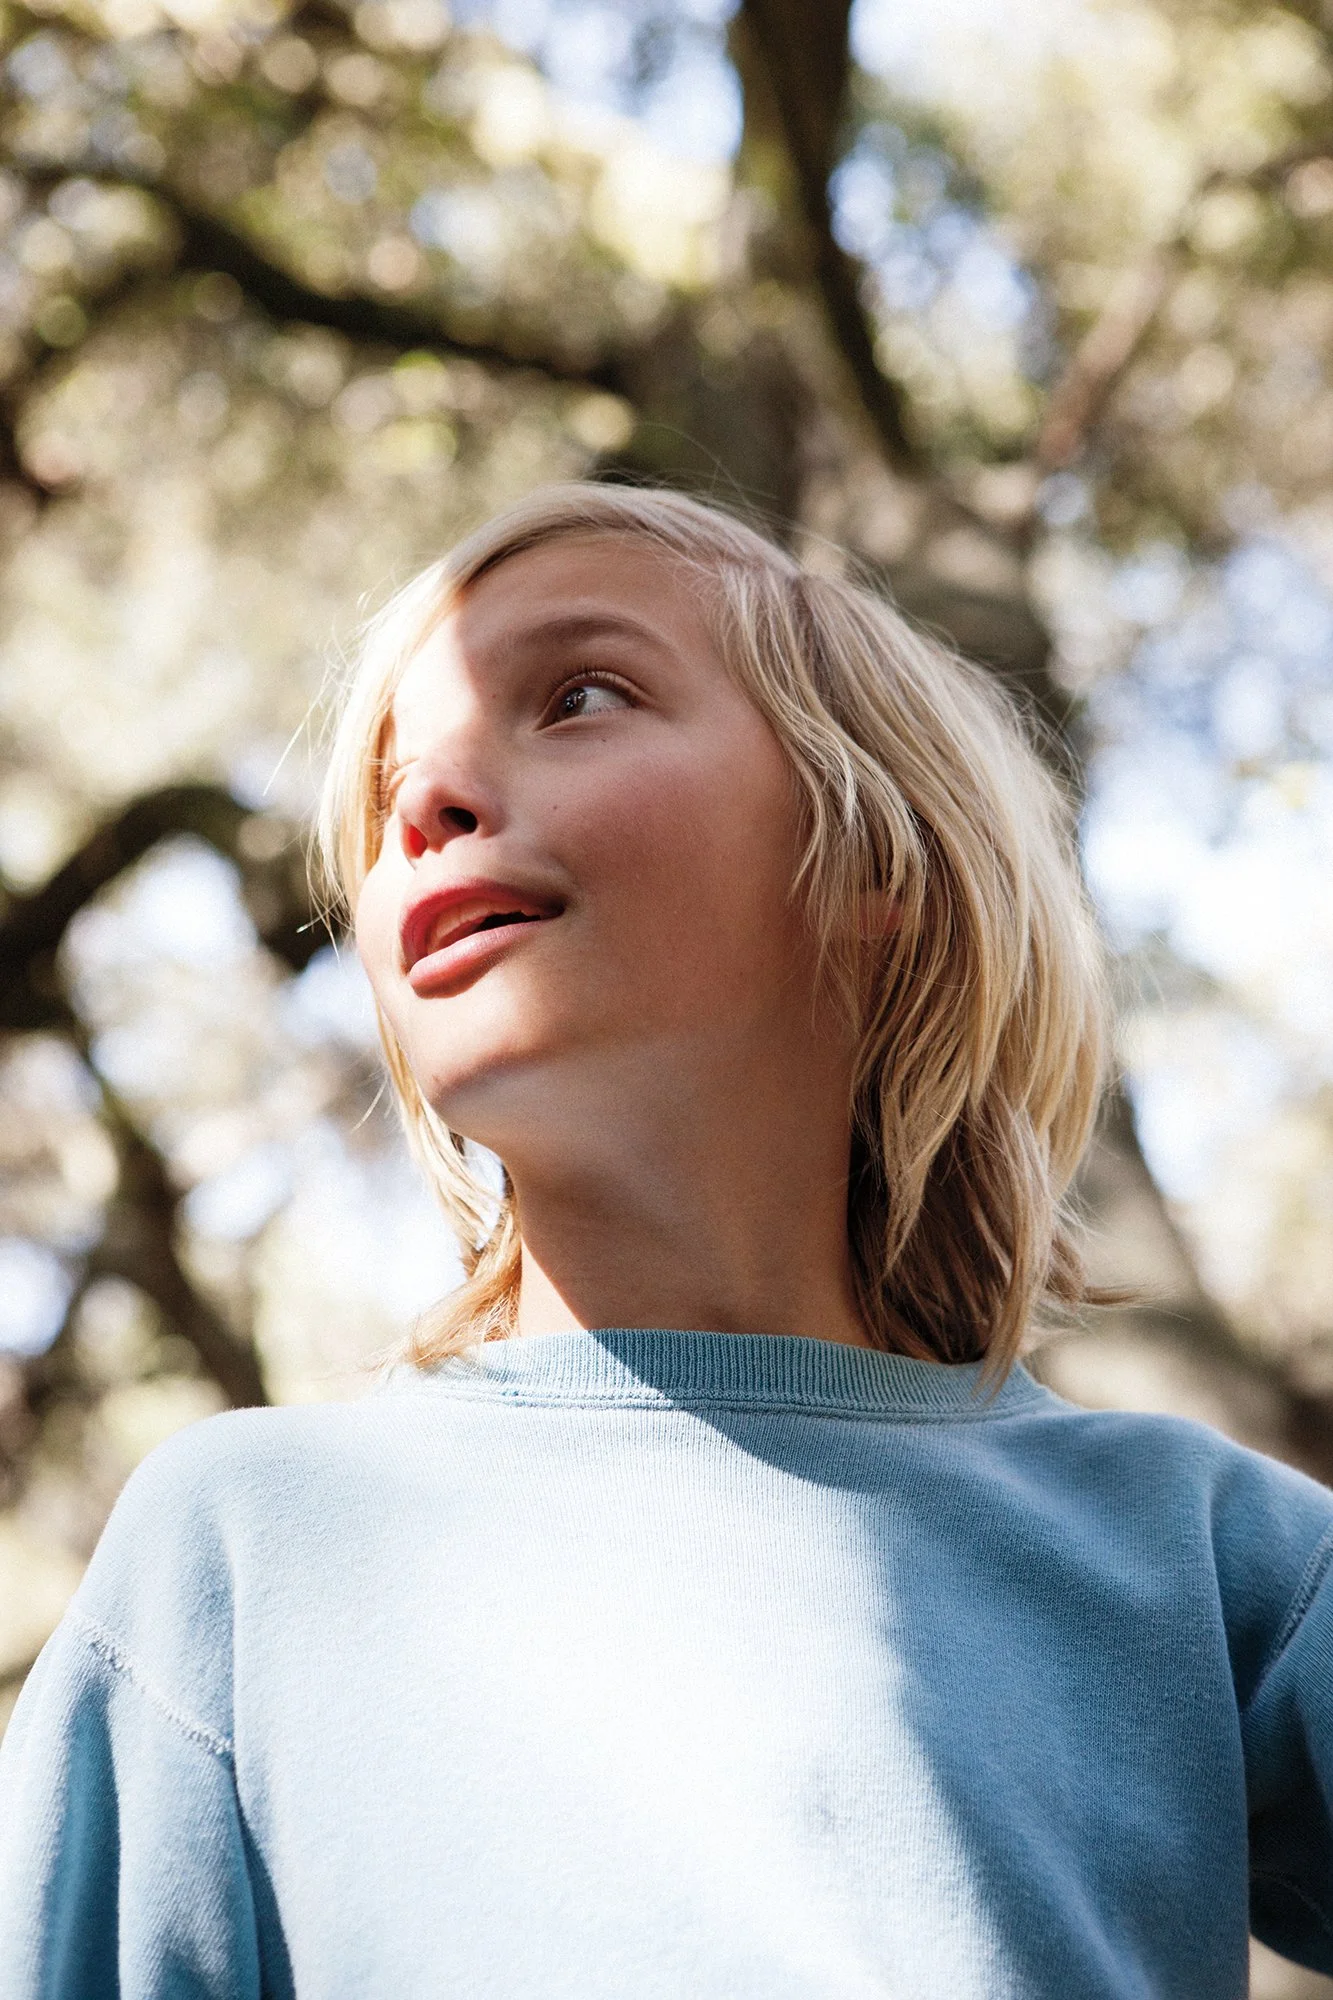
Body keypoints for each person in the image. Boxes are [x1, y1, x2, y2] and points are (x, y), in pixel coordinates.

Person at [1, 483, 1330, 1999]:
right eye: (384, 795)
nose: (424, 809)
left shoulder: (1203, 1556)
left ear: (878, 859)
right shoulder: (235, 1555)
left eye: (579, 695)